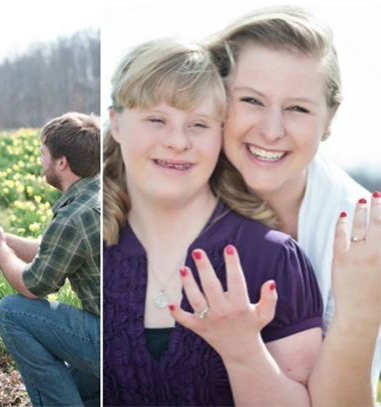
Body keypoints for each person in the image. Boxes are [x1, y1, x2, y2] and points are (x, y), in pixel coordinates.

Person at [102, 38, 326, 406]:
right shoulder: (99, 249)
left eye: (199, 124)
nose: (177, 141)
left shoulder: (271, 259)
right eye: (157, 119)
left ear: (221, 133)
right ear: (116, 124)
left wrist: (244, 352)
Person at [206, 7, 381, 405]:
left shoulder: (363, 234)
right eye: (251, 100)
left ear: (330, 117)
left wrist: (358, 316)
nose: (271, 130)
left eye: (298, 108)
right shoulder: (171, 176)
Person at [0, 112, 101, 407]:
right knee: (79, 391)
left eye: (44, 154)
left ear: (62, 162)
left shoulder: (75, 217)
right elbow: (50, 249)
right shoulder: (101, 195)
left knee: (12, 310)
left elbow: (32, 286)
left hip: (110, 341)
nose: (41, 161)